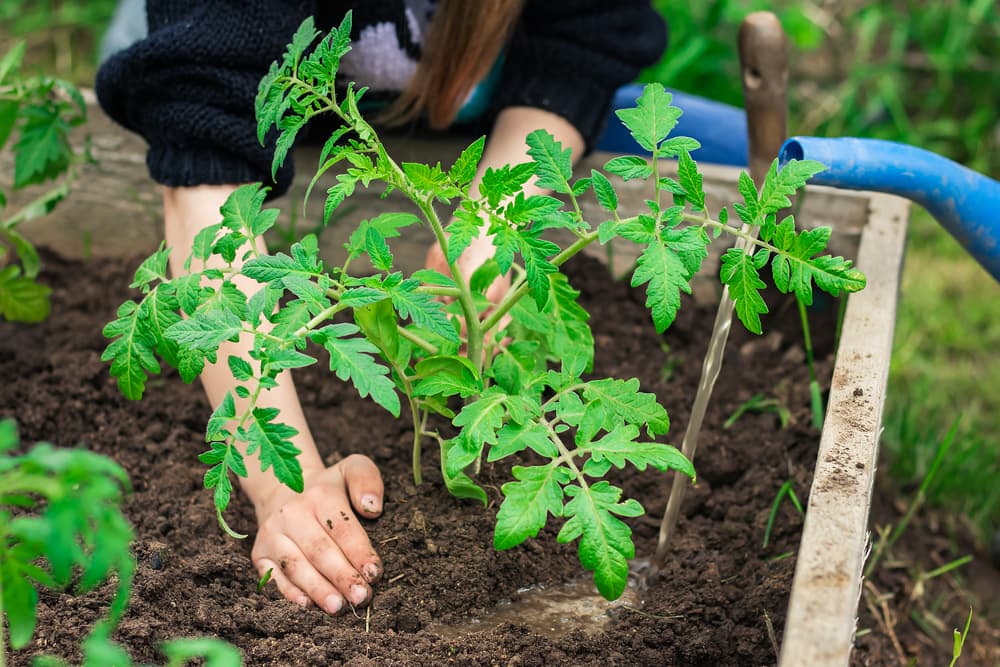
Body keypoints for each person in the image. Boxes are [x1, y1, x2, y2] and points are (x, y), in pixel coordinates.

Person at [96, 0, 667, 616]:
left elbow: (578, 44)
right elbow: (206, 165)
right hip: (223, 77)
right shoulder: (215, 68)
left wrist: (487, 231)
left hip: (472, 102)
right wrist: (284, 482)